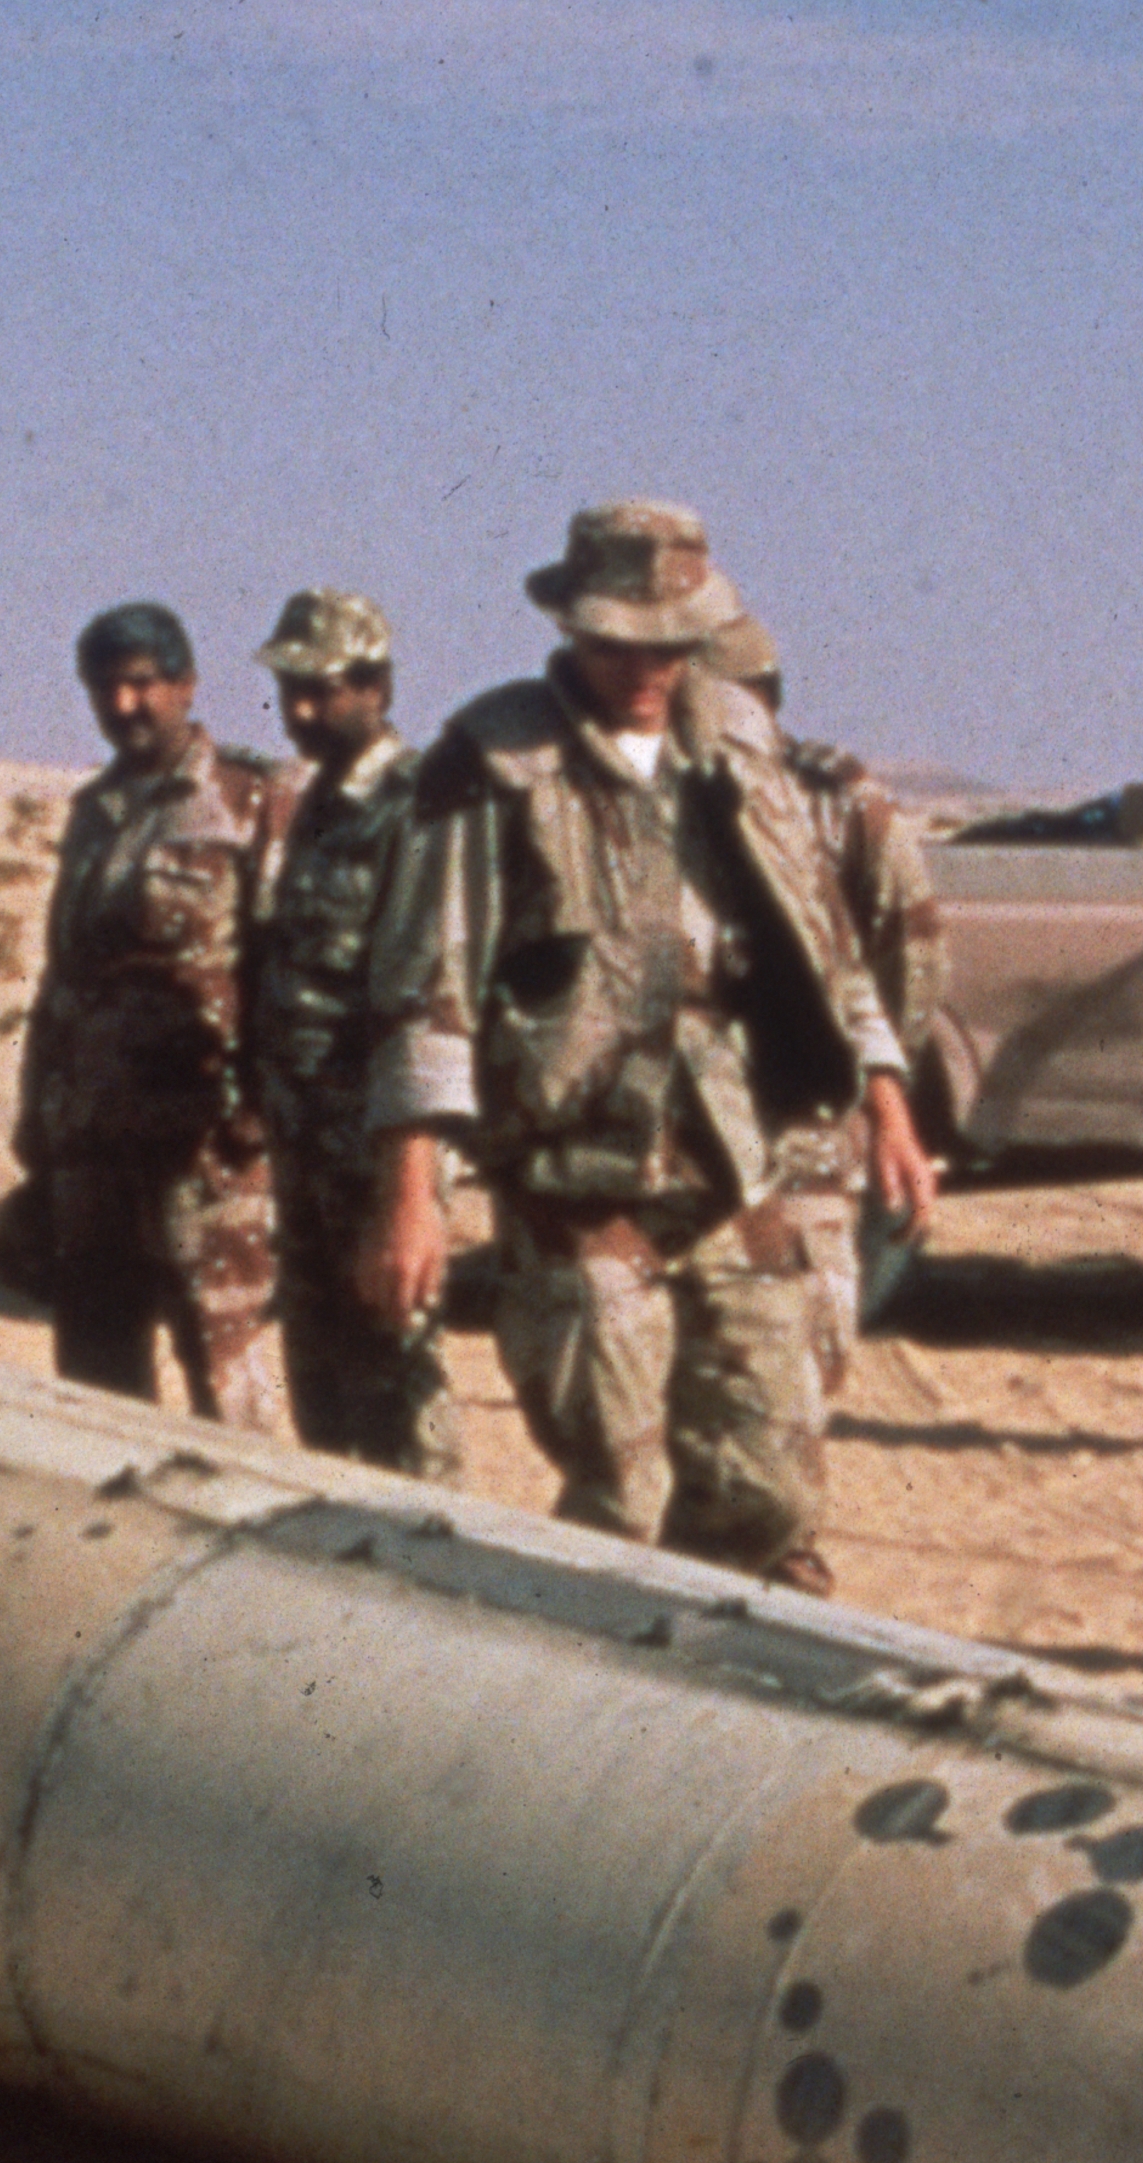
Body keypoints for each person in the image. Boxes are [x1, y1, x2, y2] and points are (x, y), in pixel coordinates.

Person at [358, 500, 937, 1589]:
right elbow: (424, 990)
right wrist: (411, 1195)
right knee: (617, 1498)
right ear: (571, 628)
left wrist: (889, 1100)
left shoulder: (738, 739)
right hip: (577, 1177)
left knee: (768, 1488)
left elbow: (828, 946)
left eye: (669, 644)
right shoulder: (492, 759)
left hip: (735, 1160)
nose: (646, 668)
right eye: (619, 642)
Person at [15, 603, 293, 1431]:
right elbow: (64, 981)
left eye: (142, 684)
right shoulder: (93, 812)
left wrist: (251, 1120)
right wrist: (38, 1124)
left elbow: (285, 967)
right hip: (91, 1149)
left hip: (202, 1153)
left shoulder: (247, 798)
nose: (124, 705)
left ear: (185, 685)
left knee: (223, 1376)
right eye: (105, 688)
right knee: (97, 1388)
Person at [703, 609, 951, 1388]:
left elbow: (906, 947)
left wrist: (875, 1082)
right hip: (694, 1129)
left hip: (808, 1122)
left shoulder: (832, 794)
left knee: (801, 1369)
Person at [244, 587, 461, 1477]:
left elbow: (422, 999)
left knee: (400, 1394)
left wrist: (404, 1193)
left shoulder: (414, 805)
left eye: (321, 689)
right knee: (322, 1393)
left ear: (376, 685)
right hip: (305, 1153)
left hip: (378, 1156)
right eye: (289, 687)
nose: (299, 710)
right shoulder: (321, 806)